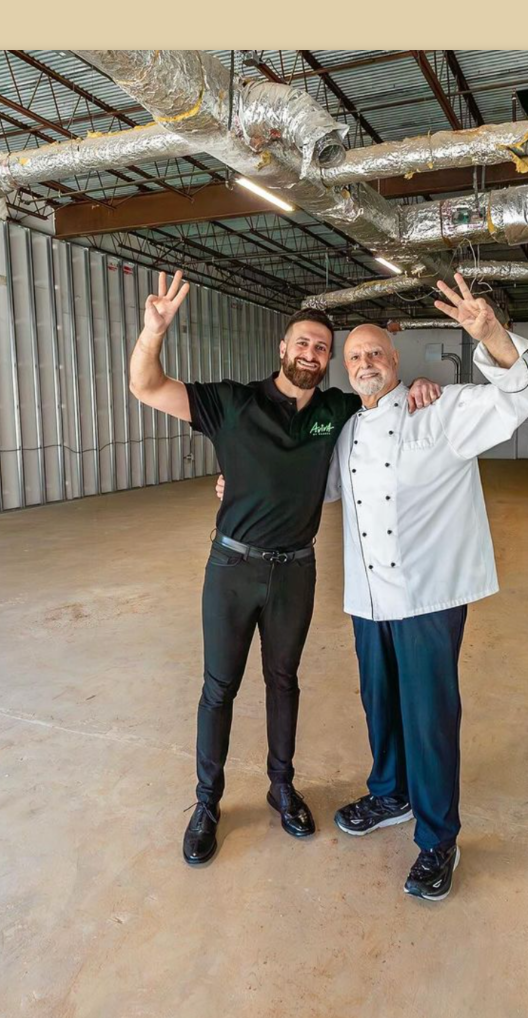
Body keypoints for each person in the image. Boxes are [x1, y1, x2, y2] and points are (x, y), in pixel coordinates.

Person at [127, 271, 437, 867]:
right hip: (232, 569)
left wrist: (422, 384)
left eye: (323, 348)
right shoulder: (232, 403)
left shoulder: (337, 409)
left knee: (284, 683)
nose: (312, 354)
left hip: (296, 572)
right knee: (219, 688)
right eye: (303, 343)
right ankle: (207, 804)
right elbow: (146, 386)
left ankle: (281, 786)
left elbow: (384, 400)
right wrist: (153, 332)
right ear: (283, 348)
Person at [326, 274, 528, 900]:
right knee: (381, 705)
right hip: (367, 600)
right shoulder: (345, 429)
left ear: (396, 362)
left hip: (427, 597)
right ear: (348, 370)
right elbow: (313, 488)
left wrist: (491, 334)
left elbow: (518, 398)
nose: (366, 363)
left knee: (429, 718)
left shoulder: (439, 410)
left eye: (376, 354)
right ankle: (390, 793)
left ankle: (437, 839)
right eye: (356, 357)